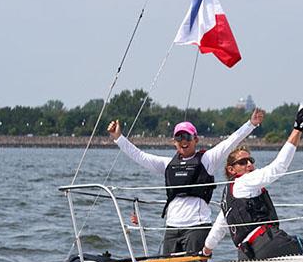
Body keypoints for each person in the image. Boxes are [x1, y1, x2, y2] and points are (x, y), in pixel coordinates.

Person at [107, 108, 263, 254]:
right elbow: (140, 156)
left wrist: (251, 124)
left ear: (195, 139)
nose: (183, 141)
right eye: (179, 137)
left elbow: (230, 142)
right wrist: (119, 138)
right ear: (174, 141)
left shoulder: (207, 159)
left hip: (197, 227)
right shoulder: (167, 164)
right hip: (172, 228)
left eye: (187, 136)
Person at [202, 107, 303, 260]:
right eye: (242, 162)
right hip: (267, 244)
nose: (249, 164)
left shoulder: (229, 197)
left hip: (245, 255)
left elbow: (218, 229)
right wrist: (298, 128)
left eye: (250, 160)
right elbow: (279, 167)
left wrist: (206, 251)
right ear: (231, 169)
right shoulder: (246, 181)